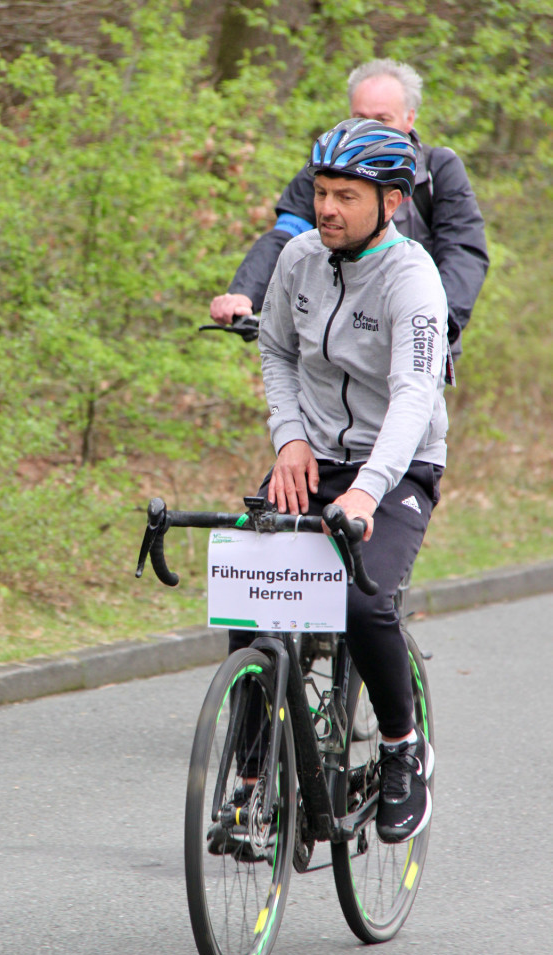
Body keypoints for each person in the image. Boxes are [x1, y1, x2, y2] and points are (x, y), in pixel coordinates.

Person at [231, 118, 446, 844]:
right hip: (313, 454)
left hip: (398, 465)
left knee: (362, 599)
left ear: (391, 203)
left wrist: (367, 489)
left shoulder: (413, 279)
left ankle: (400, 748)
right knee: (248, 589)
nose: (326, 208)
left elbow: (414, 394)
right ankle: (251, 779)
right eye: (321, 192)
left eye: (345, 196)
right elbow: (276, 350)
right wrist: (290, 439)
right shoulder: (299, 258)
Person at [210, 58, 488, 360]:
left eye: (382, 119)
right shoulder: (325, 171)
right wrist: (244, 293)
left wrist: (432, 321)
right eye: (360, 118)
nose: (369, 129)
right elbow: (286, 235)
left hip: (409, 341)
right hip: (331, 342)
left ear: (409, 119)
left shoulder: (438, 171)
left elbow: (463, 252)